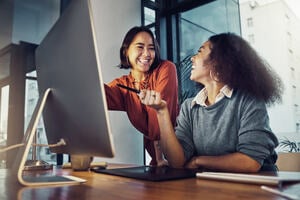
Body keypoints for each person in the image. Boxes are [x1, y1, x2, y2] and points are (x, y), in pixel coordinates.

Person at [139, 32, 284, 172]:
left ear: (219, 62)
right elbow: (177, 162)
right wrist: (161, 112)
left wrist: (198, 161)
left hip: (259, 186)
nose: (192, 58)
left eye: (199, 52)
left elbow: (250, 162)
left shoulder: (248, 101)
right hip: (213, 185)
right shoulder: (189, 107)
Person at [104, 26, 179, 166]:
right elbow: (96, 98)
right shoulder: (122, 85)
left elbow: (158, 120)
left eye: (151, 48)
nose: (147, 54)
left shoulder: (166, 68)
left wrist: (160, 158)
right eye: (140, 47)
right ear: (126, 51)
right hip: (158, 161)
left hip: (178, 154)